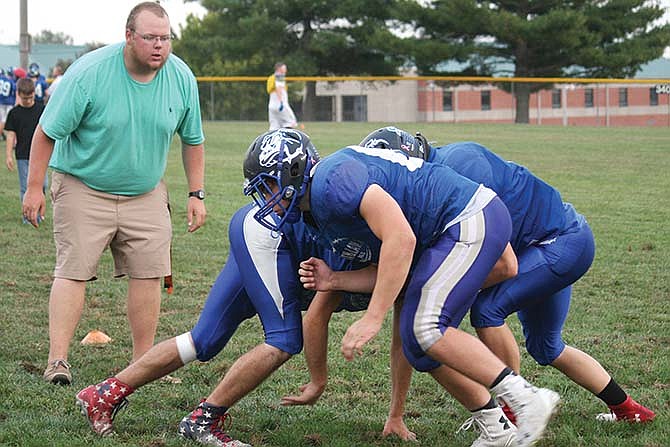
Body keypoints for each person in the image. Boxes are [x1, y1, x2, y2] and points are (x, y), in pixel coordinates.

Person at [243, 128, 560, 447]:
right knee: (416, 337)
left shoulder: (331, 181)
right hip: (455, 228)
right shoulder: (318, 210)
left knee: (427, 327)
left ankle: (526, 397)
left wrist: (372, 317)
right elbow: (395, 268)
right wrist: (334, 280)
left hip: (467, 218)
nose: (267, 199)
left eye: (268, 185)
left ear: (292, 171)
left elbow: (401, 239)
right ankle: (496, 428)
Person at [360, 126, 655, 424]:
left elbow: (506, 264)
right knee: (546, 346)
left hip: (559, 242)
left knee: (487, 310)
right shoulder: (435, 179)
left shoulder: (459, 166)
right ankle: (629, 409)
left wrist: (451, 293)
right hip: (544, 245)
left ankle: (515, 410)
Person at [76, 202, 413, 445]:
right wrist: (318, 381)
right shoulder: (358, 236)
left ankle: (103, 393)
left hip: (257, 230)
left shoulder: (380, 232)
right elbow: (316, 316)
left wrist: (395, 414)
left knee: (204, 340)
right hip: (269, 238)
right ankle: (202, 420)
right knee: (283, 340)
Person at [22, 1, 207, 386]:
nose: (160, 46)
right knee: (72, 271)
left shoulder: (181, 77)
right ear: (128, 36)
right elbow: (47, 132)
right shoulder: (90, 73)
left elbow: (193, 140)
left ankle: (143, 362)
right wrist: (34, 187)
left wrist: (196, 193)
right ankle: (57, 360)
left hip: (145, 191)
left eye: (166, 38)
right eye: (150, 38)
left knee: (150, 273)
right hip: (82, 186)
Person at [4, 77, 49, 223]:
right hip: (23, 155)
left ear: (34, 94)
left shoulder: (42, 110)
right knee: (26, 187)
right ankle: (28, 218)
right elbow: (11, 135)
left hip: (40, 155)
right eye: (24, 99)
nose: (28, 101)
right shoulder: (14, 113)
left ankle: (38, 212)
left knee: (43, 185)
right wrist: (8, 155)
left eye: (30, 98)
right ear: (18, 94)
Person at [267, 62, 297, 130]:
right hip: (280, 104)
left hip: (271, 106)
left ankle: (273, 140)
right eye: (284, 68)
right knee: (291, 122)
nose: (285, 70)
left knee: (274, 126)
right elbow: (278, 88)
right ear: (279, 69)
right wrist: (281, 102)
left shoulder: (271, 78)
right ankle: (286, 139)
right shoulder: (279, 76)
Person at [0, 67, 17, 141]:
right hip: (9, 102)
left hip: (1, 101)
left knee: (3, 120)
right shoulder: (11, 81)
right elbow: (14, 91)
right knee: (7, 121)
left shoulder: (2, 79)